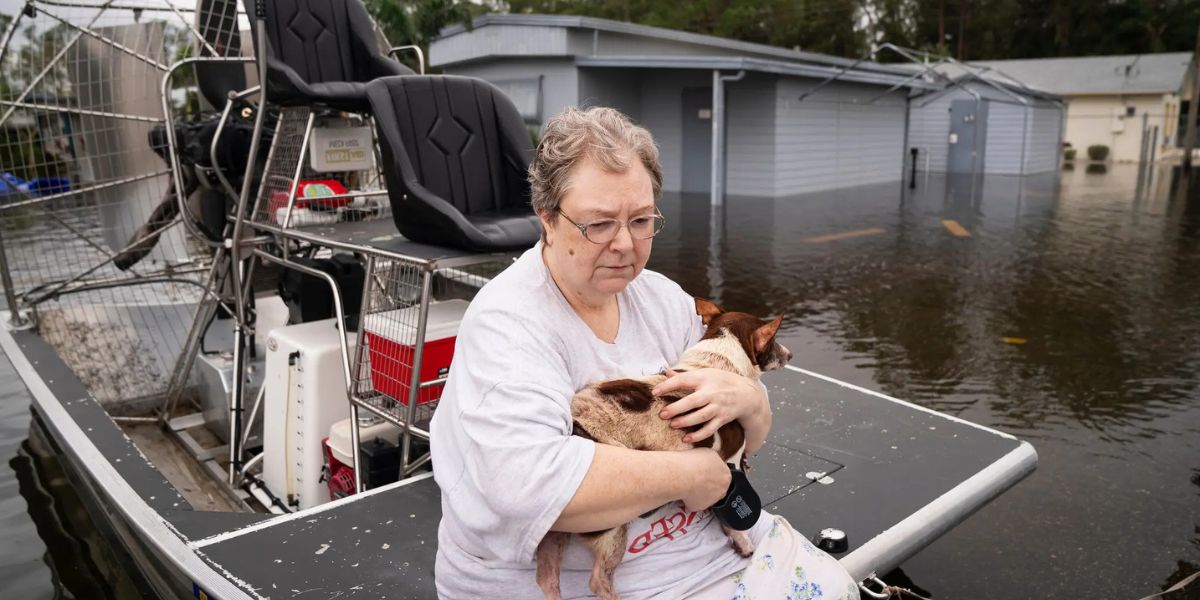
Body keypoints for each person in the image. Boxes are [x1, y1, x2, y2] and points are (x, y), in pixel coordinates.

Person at [429, 106, 858, 599]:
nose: (625, 245)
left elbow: (746, 443)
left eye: (641, 220)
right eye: (599, 224)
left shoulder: (660, 300)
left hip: (698, 552)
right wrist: (689, 473)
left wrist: (751, 402)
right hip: (573, 584)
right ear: (547, 220)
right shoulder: (509, 322)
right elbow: (528, 489)